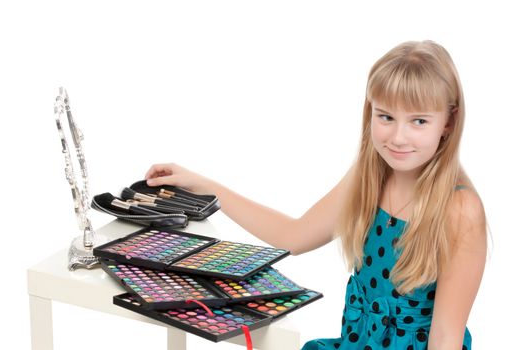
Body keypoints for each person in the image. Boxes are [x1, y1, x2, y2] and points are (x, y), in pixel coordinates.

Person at [144, 40, 487, 350]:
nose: (398, 137)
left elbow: (445, 339)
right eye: (386, 116)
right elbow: (292, 237)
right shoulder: (370, 178)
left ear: (449, 123)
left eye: (419, 122)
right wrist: (205, 187)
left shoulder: (459, 210)